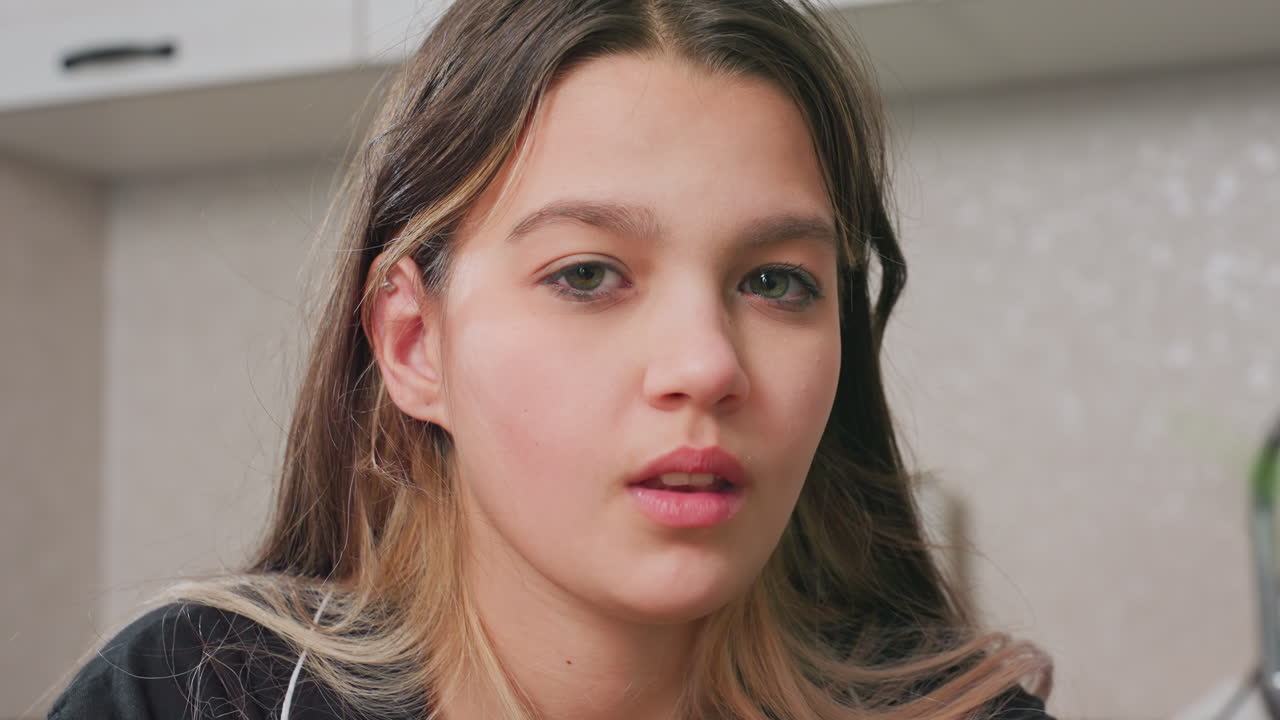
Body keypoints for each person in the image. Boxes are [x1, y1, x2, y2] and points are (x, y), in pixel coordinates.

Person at [46, 0, 1056, 718]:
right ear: (413, 344)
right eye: (586, 274)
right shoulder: (185, 696)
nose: (706, 366)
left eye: (774, 281)